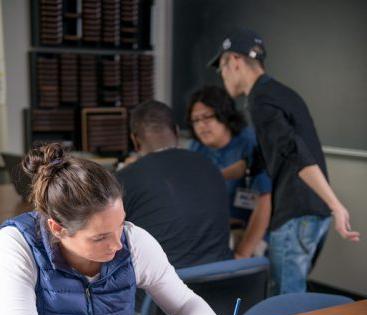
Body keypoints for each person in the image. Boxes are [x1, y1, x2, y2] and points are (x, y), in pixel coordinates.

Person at [0, 143, 249, 315]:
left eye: (120, 224)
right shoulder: (16, 245)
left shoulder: (134, 240)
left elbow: (182, 303)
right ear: (57, 229)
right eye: (99, 238)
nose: (118, 244)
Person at [208, 28, 360, 294]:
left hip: (296, 214)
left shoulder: (261, 100)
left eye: (221, 66)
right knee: (291, 295)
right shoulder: (278, 93)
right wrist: (213, 176)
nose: (221, 75)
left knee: (286, 302)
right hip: (312, 214)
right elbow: (259, 159)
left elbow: (294, 150)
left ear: (234, 60)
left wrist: (337, 205)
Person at [116, 100, 233, 269]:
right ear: (177, 132)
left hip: (164, 291)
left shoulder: (125, 180)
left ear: (135, 140)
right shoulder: (209, 165)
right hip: (224, 283)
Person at [187, 85, 272, 257]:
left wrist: (242, 253)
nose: (201, 125)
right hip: (215, 230)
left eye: (207, 117)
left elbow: (265, 203)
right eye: (195, 120)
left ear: (224, 115)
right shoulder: (197, 147)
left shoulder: (250, 145)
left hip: (253, 232)